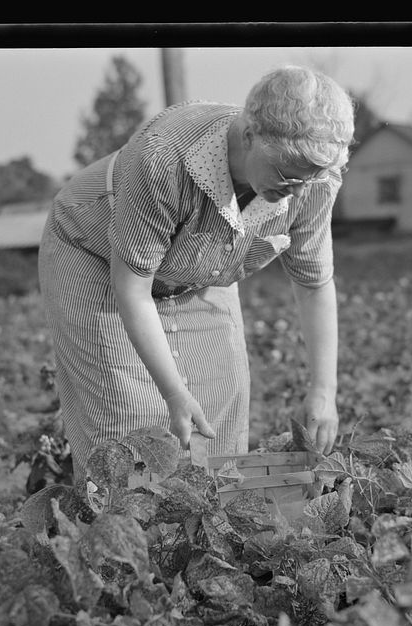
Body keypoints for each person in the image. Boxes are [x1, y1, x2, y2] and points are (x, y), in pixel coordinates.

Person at [38, 64, 354, 482]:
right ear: (249, 136)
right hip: (93, 254)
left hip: (198, 266)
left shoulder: (312, 180)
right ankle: (120, 534)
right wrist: (173, 392)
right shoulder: (164, 157)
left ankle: (203, 534)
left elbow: (314, 285)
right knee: (128, 419)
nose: (298, 190)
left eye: (309, 178)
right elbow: (133, 290)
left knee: (221, 407)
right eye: (286, 175)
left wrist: (323, 392)